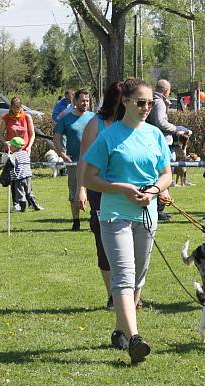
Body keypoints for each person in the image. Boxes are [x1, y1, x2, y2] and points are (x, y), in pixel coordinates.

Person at [81, 78, 172, 364]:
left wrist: (155, 191)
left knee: (138, 276)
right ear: (125, 102)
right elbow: (88, 177)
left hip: (147, 213)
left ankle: (121, 329)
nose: (146, 108)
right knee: (123, 274)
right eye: (140, 102)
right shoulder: (108, 135)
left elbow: (166, 173)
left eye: (149, 103)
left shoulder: (155, 135)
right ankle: (134, 338)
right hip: (115, 214)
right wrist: (123, 188)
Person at [77, 82, 122, 310]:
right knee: (103, 243)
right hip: (99, 190)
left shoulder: (130, 125)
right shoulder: (95, 124)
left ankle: (127, 294)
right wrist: (81, 189)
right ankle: (112, 295)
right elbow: (83, 160)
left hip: (125, 191)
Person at [54, 89, 95, 231]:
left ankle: (94, 218)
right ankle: (76, 221)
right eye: (83, 100)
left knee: (94, 191)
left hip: (93, 162)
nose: (85, 103)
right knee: (74, 191)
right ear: (75, 101)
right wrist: (62, 154)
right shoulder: (65, 119)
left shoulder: (94, 118)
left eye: (87, 101)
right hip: (74, 162)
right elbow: (57, 138)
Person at [146, 79, 186, 222]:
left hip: (158, 142)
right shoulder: (158, 102)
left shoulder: (156, 101)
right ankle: (159, 208)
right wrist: (176, 129)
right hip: (161, 142)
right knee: (163, 174)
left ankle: (159, 207)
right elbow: (160, 122)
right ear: (166, 91)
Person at [4, 136, 41, 212]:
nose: (10, 148)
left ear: (15, 147)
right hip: (28, 176)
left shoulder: (13, 155)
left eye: (11, 146)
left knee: (20, 193)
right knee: (29, 192)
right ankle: (35, 205)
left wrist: (7, 157)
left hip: (18, 177)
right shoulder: (25, 153)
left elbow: (9, 163)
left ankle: (22, 208)